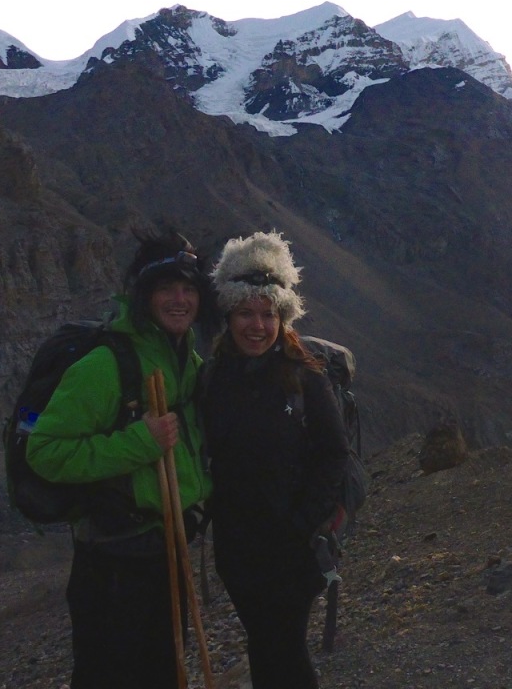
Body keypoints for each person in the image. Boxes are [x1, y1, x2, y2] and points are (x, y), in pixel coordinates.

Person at [26, 227, 214, 689]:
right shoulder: (107, 365)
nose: (179, 299)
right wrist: (141, 441)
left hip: (164, 546)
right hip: (113, 559)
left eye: (189, 289)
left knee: (164, 673)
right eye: (167, 288)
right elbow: (45, 452)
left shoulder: (185, 359)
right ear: (144, 295)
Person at [201, 231, 349, 689]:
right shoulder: (212, 379)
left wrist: (300, 525)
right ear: (228, 314)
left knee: (281, 645)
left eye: (268, 314)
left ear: (284, 318)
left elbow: (333, 457)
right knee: (265, 644)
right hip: (237, 550)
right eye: (246, 313)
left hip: (292, 550)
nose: (257, 326)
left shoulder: (306, 379)